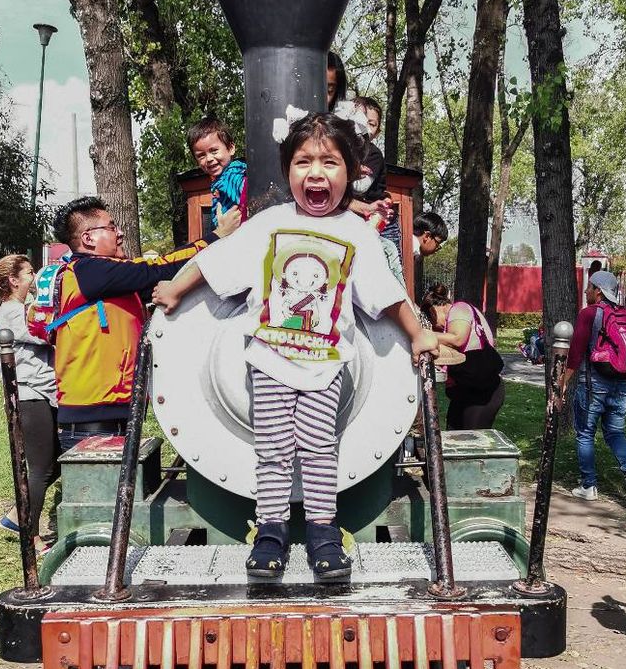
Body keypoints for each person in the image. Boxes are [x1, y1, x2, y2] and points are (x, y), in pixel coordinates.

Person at [152, 112, 446, 582]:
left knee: (317, 448)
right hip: (268, 360)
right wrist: (175, 289)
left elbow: (386, 294)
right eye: (304, 161)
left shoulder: (357, 235)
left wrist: (417, 332)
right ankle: (269, 530)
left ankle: (322, 532)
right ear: (288, 171)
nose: (315, 172)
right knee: (271, 448)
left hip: (326, 365)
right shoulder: (267, 224)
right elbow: (215, 261)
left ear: (349, 175)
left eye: (329, 163)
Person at [51, 195, 240, 452]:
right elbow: (160, 267)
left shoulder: (109, 279)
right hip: (91, 420)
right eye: (110, 227)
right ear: (88, 238)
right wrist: (216, 237)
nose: (119, 234)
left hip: (115, 411)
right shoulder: (88, 271)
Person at [559, 269, 626, 506]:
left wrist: (563, 383)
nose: (586, 291)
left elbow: (576, 354)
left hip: (593, 384)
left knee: (585, 433)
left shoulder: (589, 314)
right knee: (616, 432)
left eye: (589, 287)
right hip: (621, 384)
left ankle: (588, 486)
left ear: (598, 291)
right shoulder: (625, 313)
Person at [0, 255, 59, 552]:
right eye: (31, 272)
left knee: (56, 462)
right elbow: (45, 334)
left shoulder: (19, 309)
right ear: (13, 281)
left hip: (41, 393)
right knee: (42, 468)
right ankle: (29, 536)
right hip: (30, 395)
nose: (35, 278)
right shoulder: (11, 312)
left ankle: (15, 516)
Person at [422, 284, 506, 430]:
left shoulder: (458, 309)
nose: (435, 324)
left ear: (435, 307)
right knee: (453, 441)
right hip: (465, 392)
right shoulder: (448, 325)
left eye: (431, 317)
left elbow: (458, 338)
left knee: (470, 443)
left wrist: (422, 334)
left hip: (482, 393)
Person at [188, 117, 248, 228]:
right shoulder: (220, 180)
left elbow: (251, 199)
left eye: (214, 151)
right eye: (201, 155)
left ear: (230, 148)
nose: (209, 158)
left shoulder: (233, 175)